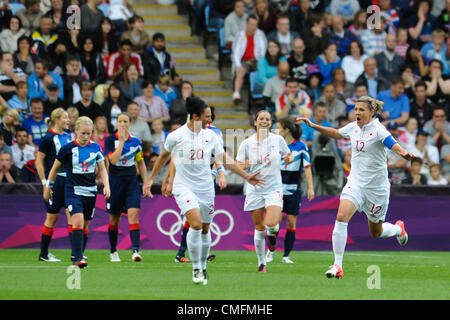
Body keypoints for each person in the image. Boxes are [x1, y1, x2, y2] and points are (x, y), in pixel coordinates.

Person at [144, 97, 264, 284]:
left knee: (206, 229)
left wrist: (246, 176)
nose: (210, 120)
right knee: (196, 224)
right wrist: (151, 179)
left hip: (206, 187)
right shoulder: (177, 135)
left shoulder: (211, 136)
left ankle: (203, 266)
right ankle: (196, 268)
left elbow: (224, 159)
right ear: (194, 116)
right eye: (206, 117)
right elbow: (164, 157)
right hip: (184, 187)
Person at [295, 96, 415, 279]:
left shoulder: (378, 130)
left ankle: (399, 229)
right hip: (356, 183)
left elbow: (393, 144)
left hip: (377, 189)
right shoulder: (353, 127)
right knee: (341, 216)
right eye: (356, 109)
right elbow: (336, 133)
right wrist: (313, 126)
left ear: (371, 112)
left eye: (361, 110)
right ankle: (337, 265)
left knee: (377, 232)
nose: (357, 113)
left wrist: (404, 153)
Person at [44, 116, 110, 268]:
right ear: (76, 131)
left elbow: (102, 168)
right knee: (78, 221)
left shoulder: (95, 147)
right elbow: (54, 169)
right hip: (73, 190)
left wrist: (107, 186)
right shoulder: (67, 149)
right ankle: (78, 258)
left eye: (88, 134)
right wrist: (48, 187)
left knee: (86, 225)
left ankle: (77, 253)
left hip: (91, 191)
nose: (85, 137)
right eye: (83, 134)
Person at [235, 110, 292, 272]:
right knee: (259, 226)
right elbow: (238, 165)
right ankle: (262, 263)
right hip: (254, 189)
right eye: (261, 119)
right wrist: (246, 166)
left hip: (273, 187)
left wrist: (289, 158)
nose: (264, 121)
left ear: (270, 123)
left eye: (267, 119)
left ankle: (272, 234)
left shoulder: (278, 139)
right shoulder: (247, 143)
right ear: (255, 122)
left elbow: (289, 155)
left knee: (272, 222)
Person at [265, 117, 314, 264]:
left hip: (293, 190)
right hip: (276, 189)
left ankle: (286, 256)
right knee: (274, 222)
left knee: (291, 223)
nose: (275, 130)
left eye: (278, 127)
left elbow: (307, 167)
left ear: (286, 130)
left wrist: (310, 187)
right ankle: (271, 249)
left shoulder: (301, 147)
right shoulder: (274, 145)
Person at [104, 112, 148, 263]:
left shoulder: (136, 142)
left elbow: (140, 162)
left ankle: (136, 251)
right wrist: (121, 142)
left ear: (129, 124)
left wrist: (146, 182)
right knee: (114, 219)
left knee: (134, 215)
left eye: (126, 121)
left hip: (131, 182)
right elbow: (113, 161)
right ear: (117, 124)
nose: (123, 124)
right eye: (120, 121)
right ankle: (113, 251)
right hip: (115, 181)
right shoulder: (110, 140)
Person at [36, 108, 72, 262]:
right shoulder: (48, 138)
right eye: (65, 118)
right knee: (52, 217)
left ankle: (75, 253)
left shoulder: (69, 136)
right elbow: (39, 161)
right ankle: (43, 254)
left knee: (73, 215)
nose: (68, 120)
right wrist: (46, 184)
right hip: (54, 182)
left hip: (69, 181)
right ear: (57, 119)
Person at [231, 15, 267, 104]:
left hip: (257, 60)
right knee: (240, 71)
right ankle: (236, 94)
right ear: (246, 24)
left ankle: (262, 94)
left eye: (255, 25)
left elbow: (264, 50)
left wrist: (261, 62)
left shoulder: (261, 34)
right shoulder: (240, 35)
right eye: (251, 25)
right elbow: (235, 52)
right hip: (244, 61)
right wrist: (238, 65)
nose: (254, 27)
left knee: (262, 71)